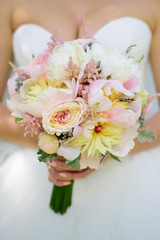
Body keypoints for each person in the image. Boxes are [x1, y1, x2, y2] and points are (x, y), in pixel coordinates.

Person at [0, 0, 160, 239]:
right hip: (34, 176)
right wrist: (58, 145)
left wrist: (104, 149)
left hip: (129, 176)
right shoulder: (9, 4)